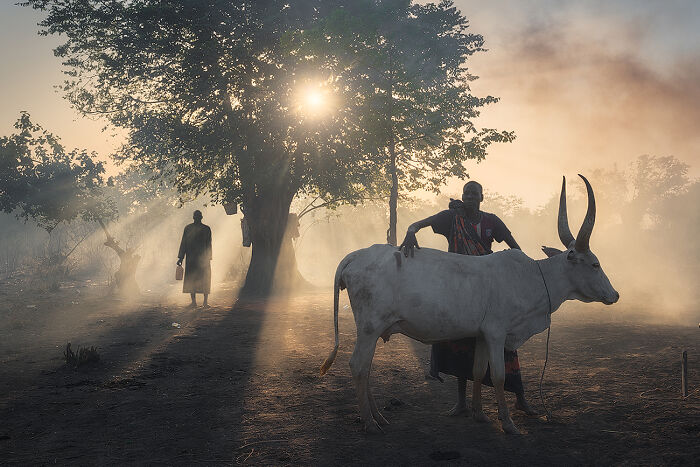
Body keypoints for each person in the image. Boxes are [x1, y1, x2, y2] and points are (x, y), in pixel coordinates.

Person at [398, 181, 537, 416]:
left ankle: (520, 398)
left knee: (503, 344)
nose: (470, 196)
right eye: (466, 193)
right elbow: (418, 224)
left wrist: (523, 269)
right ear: (462, 196)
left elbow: (516, 250)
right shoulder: (451, 218)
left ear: (482, 197)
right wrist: (410, 232)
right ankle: (462, 403)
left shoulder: (492, 221)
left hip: (488, 292)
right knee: (460, 345)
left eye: (475, 193)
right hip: (459, 293)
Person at [177, 210, 212, 307]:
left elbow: (209, 244)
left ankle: (198, 302)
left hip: (195, 258)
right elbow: (184, 243)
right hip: (198, 258)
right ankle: (201, 302)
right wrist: (180, 257)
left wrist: (181, 257)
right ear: (201, 217)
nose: (197, 218)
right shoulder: (205, 229)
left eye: (197, 216)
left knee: (200, 279)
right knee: (197, 279)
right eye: (196, 216)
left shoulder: (190, 228)